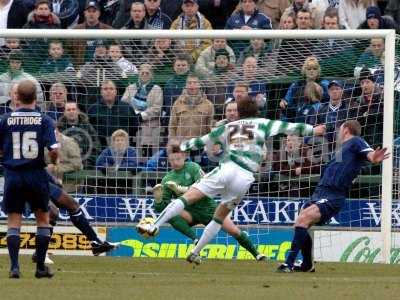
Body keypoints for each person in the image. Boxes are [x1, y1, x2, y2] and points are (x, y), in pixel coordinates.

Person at [137, 96, 326, 264]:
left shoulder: (228, 126)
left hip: (227, 168)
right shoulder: (264, 123)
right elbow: (290, 128)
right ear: (256, 111)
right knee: (219, 217)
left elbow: (202, 141)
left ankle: (155, 225)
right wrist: (314, 129)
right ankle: (195, 252)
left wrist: (183, 145)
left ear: (239, 113)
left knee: (188, 197)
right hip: (244, 179)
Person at [277, 120, 389, 272]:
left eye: (340, 128)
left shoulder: (356, 141)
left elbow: (369, 154)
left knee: (303, 220)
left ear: (346, 130)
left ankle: (288, 264)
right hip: (320, 192)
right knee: (300, 224)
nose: (338, 132)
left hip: (333, 194)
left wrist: (373, 157)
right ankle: (307, 265)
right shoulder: (341, 149)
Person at [152, 142, 266, 261]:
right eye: (172, 160)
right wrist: (158, 199)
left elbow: (203, 186)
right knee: (171, 214)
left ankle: (256, 254)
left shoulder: (193, 167)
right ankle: (195, 240)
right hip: (190, 213)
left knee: (234, 231)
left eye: (178, 158)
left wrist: (181, 190)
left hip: (209, 209)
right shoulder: (167, 179)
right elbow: (162, 208)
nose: (175, 162)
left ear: (184, 156)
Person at [0, 80, 59, 278]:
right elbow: (53, 150)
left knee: (13, 221)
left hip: (13, 175)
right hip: (36, 174)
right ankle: (40, 267)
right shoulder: (44, 120)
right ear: (36, 97)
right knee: (42, 219)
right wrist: (53, 160)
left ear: (17, 96)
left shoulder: (5, 119)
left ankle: (14, 267)